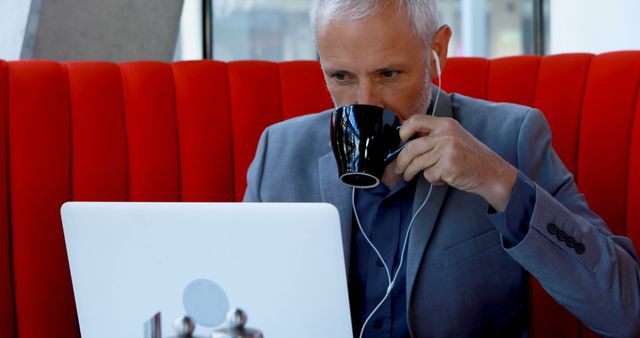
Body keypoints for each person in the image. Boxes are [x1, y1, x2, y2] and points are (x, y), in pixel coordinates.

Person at [243, 0, 640, 337]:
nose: (366, 101)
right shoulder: (279, 154)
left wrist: (499, 183)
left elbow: (625, 311)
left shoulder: (511, 139)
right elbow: (242, 301)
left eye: (388, 74)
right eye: (341, 77)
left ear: (437, 51)